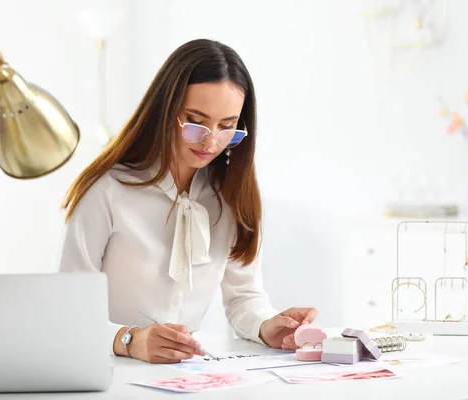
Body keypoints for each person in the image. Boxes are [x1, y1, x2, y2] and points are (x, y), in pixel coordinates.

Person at [58, 38, 318, 364]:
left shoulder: (231, 197)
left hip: (185, 378)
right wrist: (130, 340)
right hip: (107, 370)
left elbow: (243, 298)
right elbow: (66, 310)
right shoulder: (107, 191)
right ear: (165, 110)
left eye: (227, 128)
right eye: (196, 122)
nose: (211, 142)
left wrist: (267, 326)